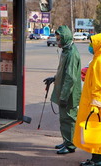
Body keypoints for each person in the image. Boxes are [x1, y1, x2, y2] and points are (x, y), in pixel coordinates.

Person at [73, 33, 101, 166]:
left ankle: (97, 160)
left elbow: (100, 86)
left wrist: (96, 104)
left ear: (98, 44)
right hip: (98, 103)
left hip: (97, 104)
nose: (90, 46)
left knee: (96, 132)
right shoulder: (99, 59)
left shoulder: (99, 63)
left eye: (92, 43)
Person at [43, 25, 82, 154]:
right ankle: (66, 140)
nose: (57, 41)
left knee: (69, 119)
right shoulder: (66, 50)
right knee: (63, 119)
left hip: (69, 94)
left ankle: (71, 145)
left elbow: (70, 78)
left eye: (59, 39)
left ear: (65, 39)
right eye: (57, 39)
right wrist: (54, 78)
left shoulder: (71, 53)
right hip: (64, 92)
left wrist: (64, 96)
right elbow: (63, 72)